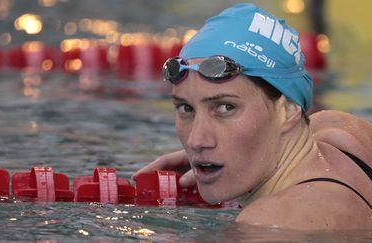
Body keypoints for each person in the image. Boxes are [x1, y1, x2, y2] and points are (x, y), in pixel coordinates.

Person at [132, 3, 372, 230]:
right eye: (186, 109)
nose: (196, 140)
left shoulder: (272, 223)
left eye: (226, 108)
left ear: (289, 109)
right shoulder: (344, 132)